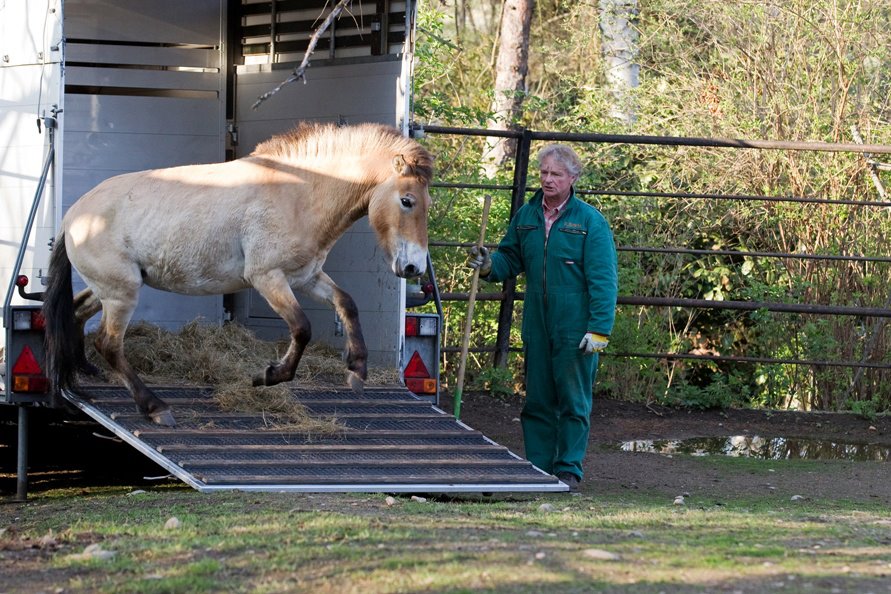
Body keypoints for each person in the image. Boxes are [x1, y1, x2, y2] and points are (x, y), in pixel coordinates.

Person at [467, 144, 618, 492]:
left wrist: (599, 328)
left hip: (576, 323)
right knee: (536, 398)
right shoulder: (527, 217)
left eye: (556, 174)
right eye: (544, 173)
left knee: (573, 400)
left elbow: (604, 279)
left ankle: (567, 469)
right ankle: (537, 467)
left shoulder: (590, 222)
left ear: (573, 178)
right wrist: (489, 264)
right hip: (536, 319)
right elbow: (509, 260)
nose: (548, 180)